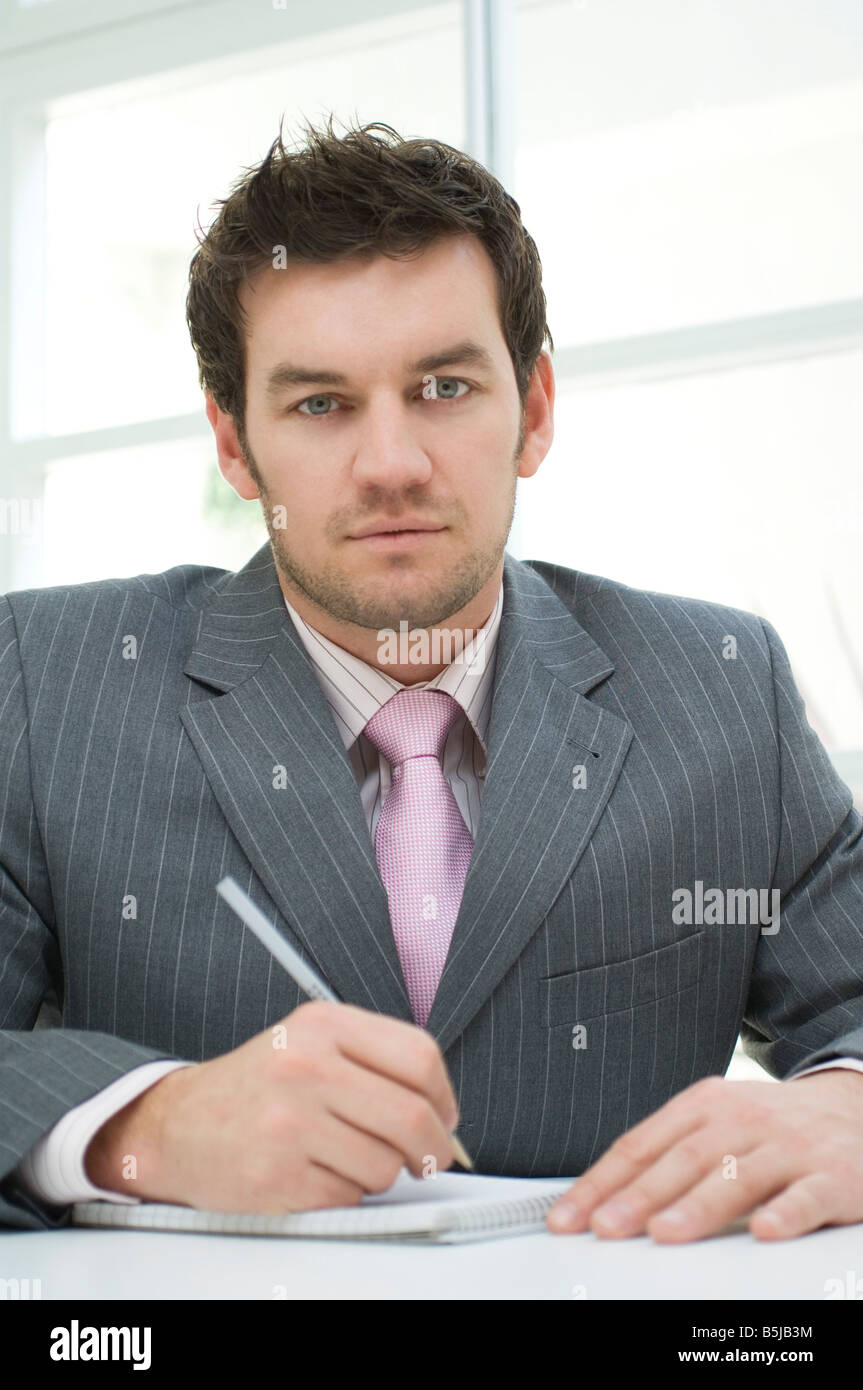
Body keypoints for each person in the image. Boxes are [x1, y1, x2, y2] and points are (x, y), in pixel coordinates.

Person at [2, 120, 862, 1244]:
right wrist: (141, 1126)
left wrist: (844, 1107)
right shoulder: (45, 680)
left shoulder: (717, 685)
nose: (392, 463)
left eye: (444, 387)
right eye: (318, 404)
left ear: (534, 408)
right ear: (233, 442)